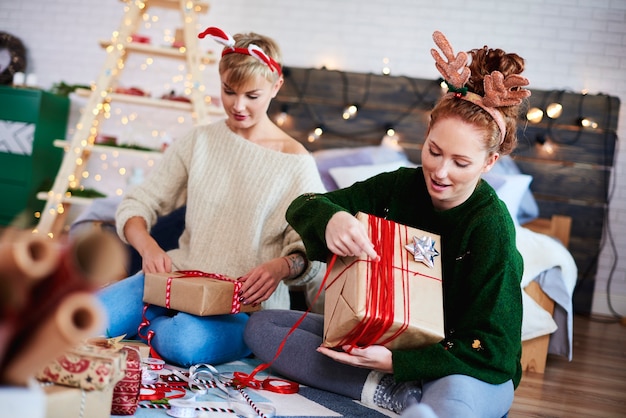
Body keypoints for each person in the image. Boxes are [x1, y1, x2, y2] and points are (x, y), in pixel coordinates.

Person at [243, 30, 530, 418]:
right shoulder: (400, 185)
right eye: (433, 151)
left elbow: (495, 349)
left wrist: (399, 363)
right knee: (261, 329)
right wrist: (333, 219)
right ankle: (394, 394)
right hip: (382, 342)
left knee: (453, 406)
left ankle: (405, 394)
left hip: (459, 365)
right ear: (426, 135)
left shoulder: (491, 227)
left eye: (461, 163)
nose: (440, 172)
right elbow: (307, 204)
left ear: (489, 163)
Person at [97, 27, 325, 367]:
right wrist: (148, 248)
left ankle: (155, 329)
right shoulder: (199, 141)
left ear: (276, 87)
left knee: (185, 342)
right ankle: (154, 324)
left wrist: (280, 266)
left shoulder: (298, 165)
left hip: (243, 303)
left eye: (252, 95)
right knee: (90, 317)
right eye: (228, 91)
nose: (237, 106)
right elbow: (138, 202)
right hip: (177, 278)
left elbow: (312, 251)